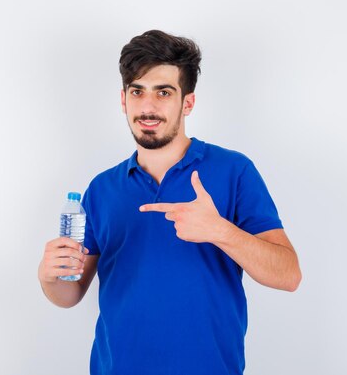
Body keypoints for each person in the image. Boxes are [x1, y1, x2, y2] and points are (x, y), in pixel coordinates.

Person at [38, 30, 302, 375]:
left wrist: (220, 230)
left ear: (187, 102)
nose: (148, 107)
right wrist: (48, 277)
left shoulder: (234, 171)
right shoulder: (102, 189)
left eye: (164, 92)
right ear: (123, 100)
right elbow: (70, 295)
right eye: (138, 92)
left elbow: (289, 275)